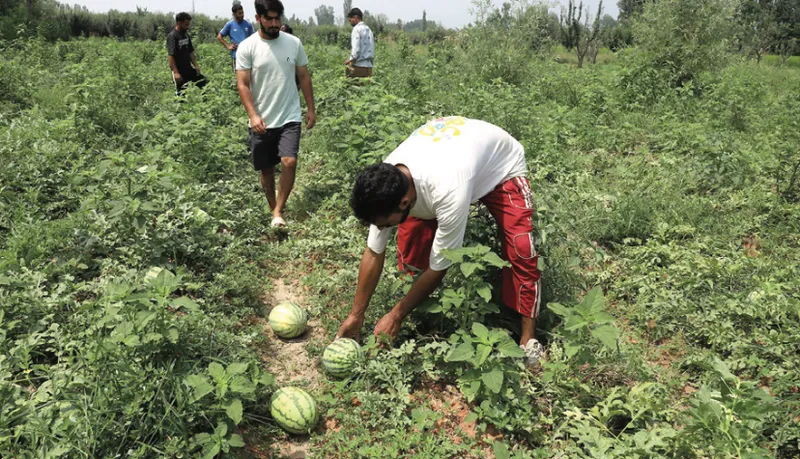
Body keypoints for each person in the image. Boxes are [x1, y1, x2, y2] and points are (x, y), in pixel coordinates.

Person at [336, 116, 544, 364]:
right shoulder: (388, 180)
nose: (382, 228)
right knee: (412, 243)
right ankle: (421, 311)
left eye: (384, 223)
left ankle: (528, 339)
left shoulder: (448, 189)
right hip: (452, 153)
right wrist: (356, 315)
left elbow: (440, 266)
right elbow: (373, 251)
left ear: (404, 202)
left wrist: (396, 315)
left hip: (501, 165)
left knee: (521, 247)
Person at [235, 0, 316, 228]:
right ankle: (274, 207)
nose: (274, 23)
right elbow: (242, 84)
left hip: (290, 115)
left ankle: (279, 210)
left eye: (277, 18)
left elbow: (304, 76)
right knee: (267, 169)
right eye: (269, 18)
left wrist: (310, 108)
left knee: (289, 161)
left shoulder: (293, 43)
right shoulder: (248, 46)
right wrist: (253, 115)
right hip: (261, 118)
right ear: (258, 17)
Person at [167, 12, 207, 96]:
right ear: (179, 23)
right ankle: (179, 108)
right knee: (182, 94)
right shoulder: (172, 36)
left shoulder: (186, 35)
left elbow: (190, 52)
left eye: (188, 24)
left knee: (205, 84)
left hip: (188, 68)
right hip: (179, 71)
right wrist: (176, 73)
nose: (188, 27)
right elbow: (171, 56)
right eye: (186, 25)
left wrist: (196, 65)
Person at [217, 2, 255, 73]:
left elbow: (253, 39)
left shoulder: (248, 24)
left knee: (250, 77)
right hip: (236, 56)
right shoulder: (230, 24)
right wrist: (228, 46)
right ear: (234, 14)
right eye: (239, 13)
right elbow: (219, 37)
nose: (242, 15)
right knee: (236, 77)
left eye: (242, 12)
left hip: (248, 56)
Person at [344, 8, 374, 78]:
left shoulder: (356, 29)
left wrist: (351, 59)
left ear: (355, 17)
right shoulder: (368, 29)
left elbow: (356, 48)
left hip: (358, 66)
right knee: (367, 88)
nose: (350, 22)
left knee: (352, 87)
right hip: (369, 67)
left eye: (350, 20)